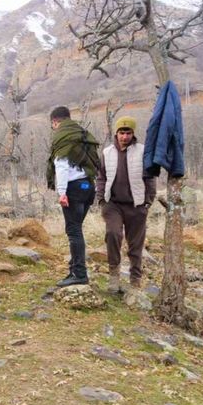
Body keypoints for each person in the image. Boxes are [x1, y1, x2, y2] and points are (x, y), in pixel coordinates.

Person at [96, 116, 157, 292]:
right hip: (112, 203)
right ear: (116, 133)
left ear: (133, 133)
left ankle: (135, 279)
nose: (124, 136)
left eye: (128, 133)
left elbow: (149, 178)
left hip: (136, 205)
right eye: (122, 133)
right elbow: (101, 177)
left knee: (136, 244)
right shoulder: (107, 152)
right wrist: (101, 199)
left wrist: (148, 201)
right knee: (113, 233)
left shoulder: (142, 151)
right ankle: (114, 275)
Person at [46, 106, 100, 288]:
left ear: (55, 121)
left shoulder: (62, 136)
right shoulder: (82, 133)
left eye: (52, 124)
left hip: (73, 188)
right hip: (88, 186)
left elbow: (61, 165)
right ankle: (75, 269)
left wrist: (62, 192)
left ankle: (79, 273)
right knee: (77, 229)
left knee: (74, 231)